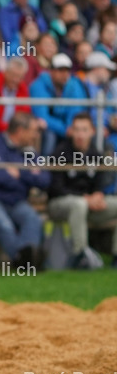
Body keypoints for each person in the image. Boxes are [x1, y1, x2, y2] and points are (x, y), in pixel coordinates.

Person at [0, 112, 50, 267]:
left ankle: (26, 261)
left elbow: (45, 180)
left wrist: (19, 172)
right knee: (4, 224)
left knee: (33, 219)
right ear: (20, 130)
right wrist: (28, 175)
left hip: (16, 201)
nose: (36, 135)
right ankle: (24, 262)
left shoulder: (29, 152)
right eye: (33, 131)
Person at [46, 112, 117, 262]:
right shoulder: (60, 153)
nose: (80, 134)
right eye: (76, 129)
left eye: (84, 130)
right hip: (60, 204)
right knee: (79, 204)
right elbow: (56, 188)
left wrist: (98, 194)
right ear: (71, 131)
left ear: (92, 132)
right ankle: (81, 256)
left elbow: (101, 182)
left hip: (88, 205)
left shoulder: (96, 154)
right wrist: (86, 198)